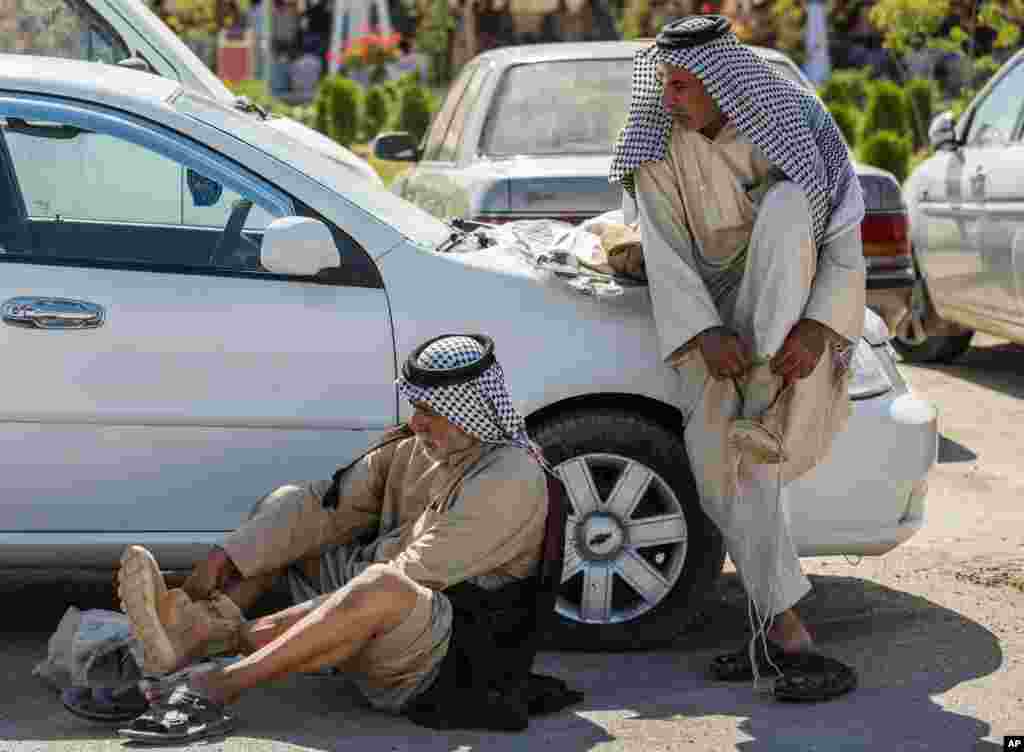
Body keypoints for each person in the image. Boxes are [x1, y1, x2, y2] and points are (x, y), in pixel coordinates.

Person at [115, 334, 576, 742]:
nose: (416, 423)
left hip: (444, 651)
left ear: (470, 411)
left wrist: (257, 633)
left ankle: (219, 680)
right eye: (416, 406)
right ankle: (190, 631)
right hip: (374, 603)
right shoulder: (417, 446)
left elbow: (410, 576)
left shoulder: (510, 477)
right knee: (289, 510)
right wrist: (224, 557)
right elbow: (325, 506)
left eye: (431, 411)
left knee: (381, 585)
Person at [609, 16, 865, 702]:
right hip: (710, 320)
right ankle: (783, 630)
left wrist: (817, 326)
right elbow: (662, 249)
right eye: (665, 84)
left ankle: (780, 630)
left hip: (792, 310)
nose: (671, 100)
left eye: (685, 86)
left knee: (786, 206)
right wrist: (702, 332)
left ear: (726, 85)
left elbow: (842, 235)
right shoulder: (658, 142)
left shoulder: (792, 120)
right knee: (722, 465)